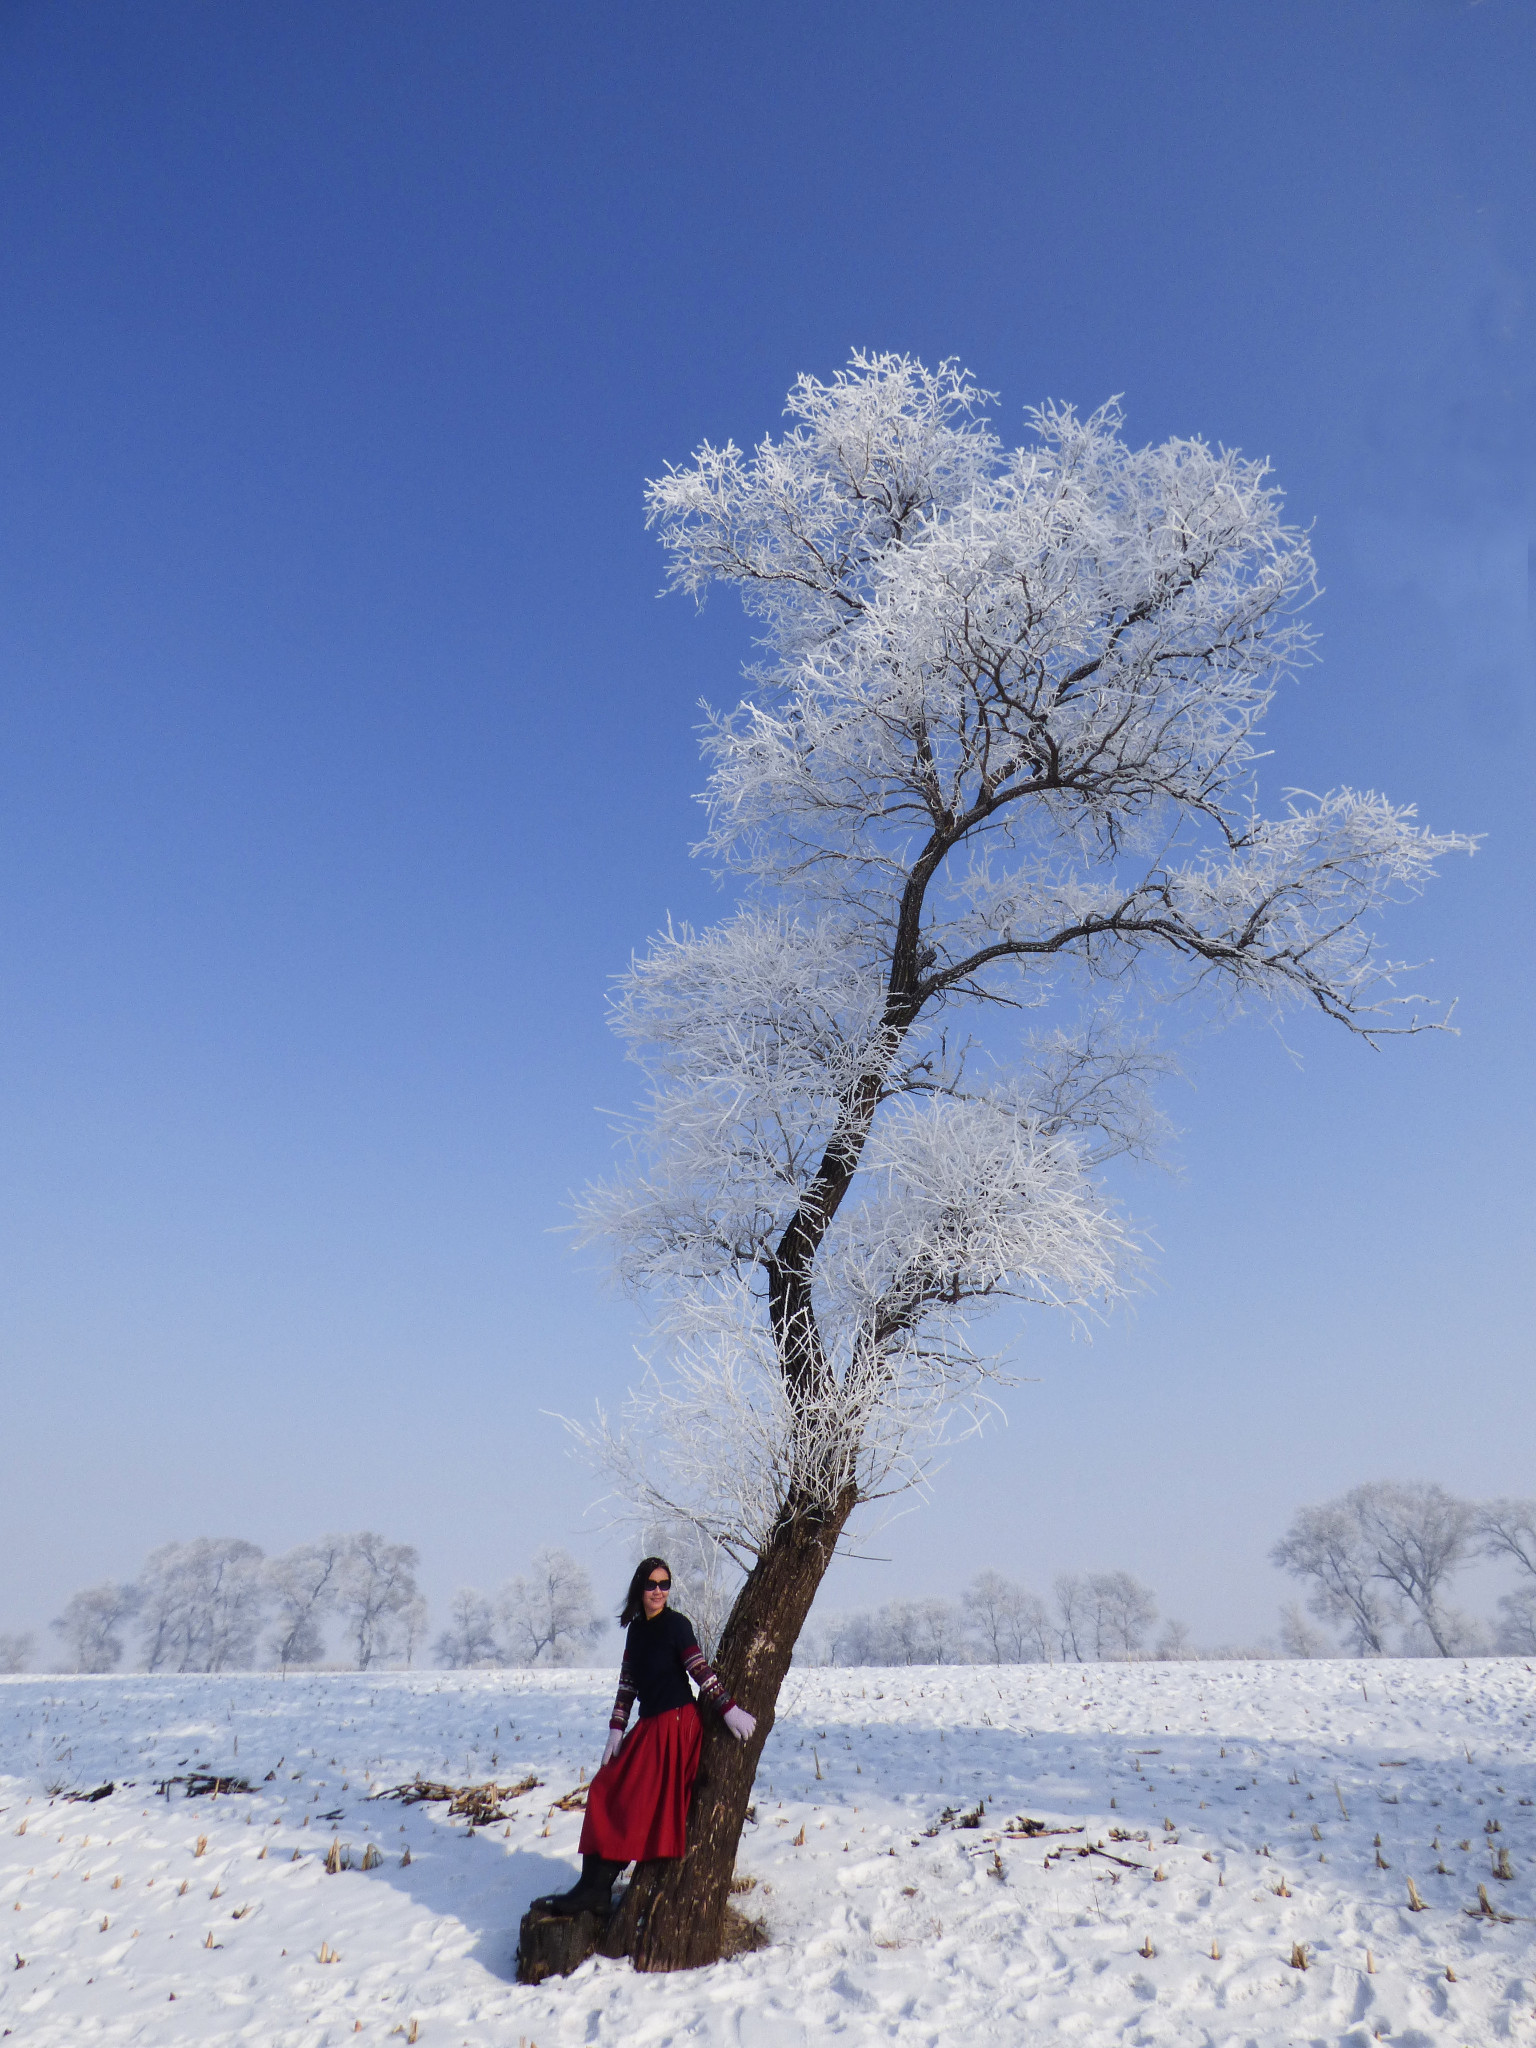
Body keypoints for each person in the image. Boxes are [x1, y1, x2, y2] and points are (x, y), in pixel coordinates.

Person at [532, 1555, 756, 1917]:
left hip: (675, 1724)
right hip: (650, 1723)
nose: (658, 1591)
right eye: (651, 1584)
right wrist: (615, 1730)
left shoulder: (676, 1625)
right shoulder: (636, 1630)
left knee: (629, 1799)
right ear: (640, 1587)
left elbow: (699, 1670)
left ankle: (597, 1890)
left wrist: (727, 1708)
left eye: (664, 1584)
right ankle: (591, 1889)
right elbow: (628, 1685)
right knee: (604, 1787)